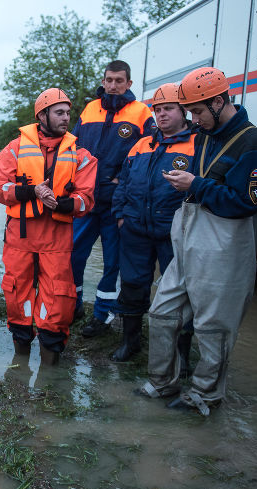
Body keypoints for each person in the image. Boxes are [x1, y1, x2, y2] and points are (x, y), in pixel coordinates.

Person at [136, 67, 257, 415]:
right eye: (191, 112)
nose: (194, 119)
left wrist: (195, 185)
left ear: (219, 101)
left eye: (198, 111)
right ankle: (163, 381)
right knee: (161, 311)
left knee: (214, 326)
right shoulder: (204, 135)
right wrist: (189, 184)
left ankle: (204, 394)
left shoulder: (254, 143)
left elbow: (247, 203)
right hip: (189, 233)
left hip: (224, 242)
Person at [0, 88, 98, 365]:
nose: (66, 118)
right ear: (42, 115)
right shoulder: (14, 149)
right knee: (17, 297)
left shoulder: (81, 155)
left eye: (68, 113)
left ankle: (49, 372)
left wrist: (60, 204)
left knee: (57, 303)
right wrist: (33, 191)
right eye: (59, 113)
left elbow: (86, 200)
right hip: (20, 238)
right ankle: (20, 366)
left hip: (57, 240)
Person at [110, 83, 195, 363]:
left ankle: (179, 354)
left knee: (179, 292)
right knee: (132, 285)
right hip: (135, 229)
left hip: (175, 232)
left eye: (168, 108)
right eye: (158, 110)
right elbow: (123, 183)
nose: (162, 114)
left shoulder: (198, 145)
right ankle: (130, 343)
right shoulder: (141, 144)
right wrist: (121, 216)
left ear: (183, 111)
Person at [70, 60, 155, 337]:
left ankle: (102, 315)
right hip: (86, 200)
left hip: (116, 203)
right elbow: (73, 149)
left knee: (112, 263)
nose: (113, 85)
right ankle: (74, 305)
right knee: (73, 255)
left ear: (129, 83)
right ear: (103, 81)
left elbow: (150, 155)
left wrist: (125, 182)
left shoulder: (141, 113)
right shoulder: (90, 109)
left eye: (119, 80)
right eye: (109, 80)